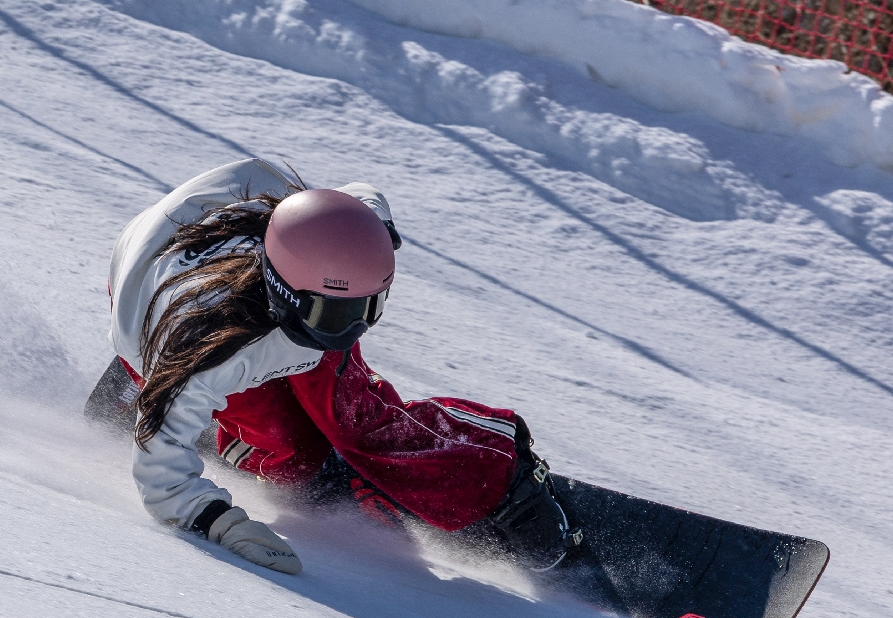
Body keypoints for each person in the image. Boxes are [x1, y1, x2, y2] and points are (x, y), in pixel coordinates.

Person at [94, 157, 570, 575]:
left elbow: (357, 201)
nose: (350, 332)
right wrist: (218, 522)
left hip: (217, 261)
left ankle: (503, 469)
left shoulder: (308, 238)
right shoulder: (207, 350)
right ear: (284, 291)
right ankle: (185, 409)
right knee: (295, 453)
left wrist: (374, 229)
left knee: (356, 417)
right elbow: (162, 483)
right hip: (159, 322)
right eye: (336, 315)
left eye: (369, 308)